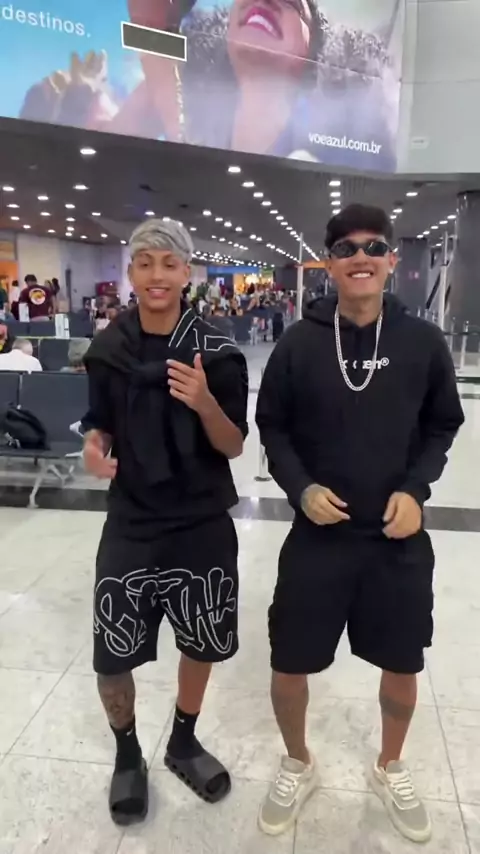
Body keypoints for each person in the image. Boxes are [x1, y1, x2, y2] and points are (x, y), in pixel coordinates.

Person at [255, 204, 464, 843]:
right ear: (329, 263)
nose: (361, 257)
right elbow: (273, 427)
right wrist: (300, 487)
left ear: (392, 260)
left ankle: (390, 766)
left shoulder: (422, 343)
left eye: (374, 246)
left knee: (402, 661)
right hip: (318, 537)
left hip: (396, 540)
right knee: (289, 660)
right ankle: (298, 761)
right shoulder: (299, 342)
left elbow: (443, 424)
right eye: (346, 248)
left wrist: (416, 491)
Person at [81, 218, 248, 826]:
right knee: (112, 651)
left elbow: (233, 445)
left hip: (200, 517)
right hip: (132, 516)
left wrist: (203, 401)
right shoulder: (108, 350)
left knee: (202, 637)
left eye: (169, 264)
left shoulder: (218, 351)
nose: (157, 275)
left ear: (187, 273)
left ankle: (183, 739)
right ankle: (128, 754)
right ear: (131, 271)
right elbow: (99, 423)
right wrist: (93, 448)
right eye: (145, 262)